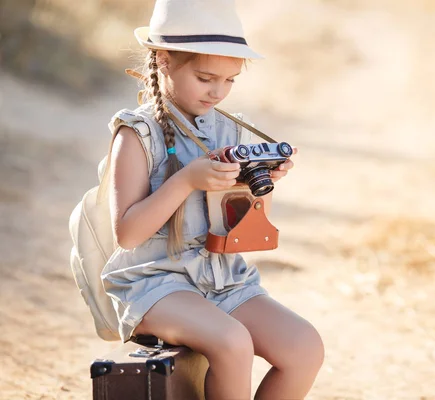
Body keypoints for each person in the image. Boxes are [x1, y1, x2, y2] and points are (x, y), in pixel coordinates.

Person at [99, 0, 324, 398]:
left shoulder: (226, 130)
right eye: (205, 78)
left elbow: (232, 226)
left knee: (304, 347)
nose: (218, 92)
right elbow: (128, 235)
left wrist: (255, 183)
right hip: (156, 283)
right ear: (165, 60)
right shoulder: (137, 134)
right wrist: (186, 180)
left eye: (230, 80)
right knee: (232, 342)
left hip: (221, 278)